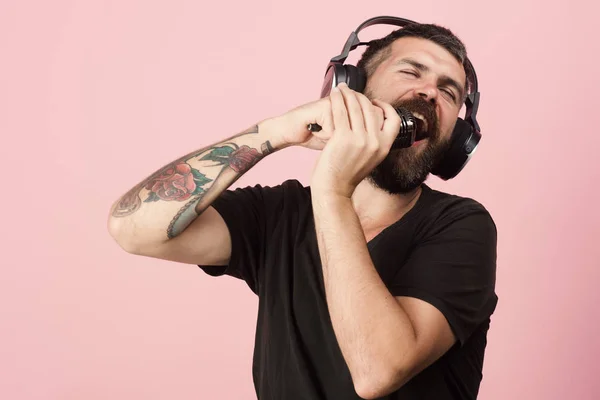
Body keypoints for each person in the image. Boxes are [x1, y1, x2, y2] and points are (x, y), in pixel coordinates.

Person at [108, 18, 498, 400]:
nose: (430, 93)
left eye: (449, 93)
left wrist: (333, 191)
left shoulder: (463, 227)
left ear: (456, 137)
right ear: (353, 89)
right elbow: (133, 229)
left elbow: (377, 371)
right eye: (411, 72)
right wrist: (275, 132)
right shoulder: (280, 214)